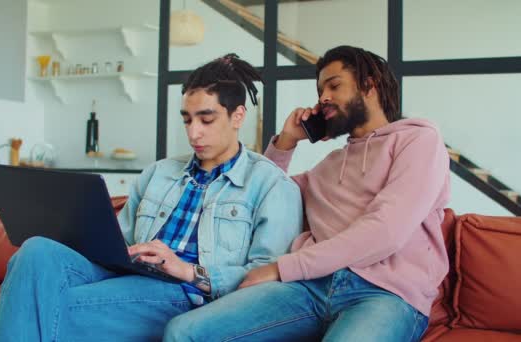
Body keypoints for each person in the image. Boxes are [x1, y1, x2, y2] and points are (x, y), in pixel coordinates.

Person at [0, 53, 303, 342]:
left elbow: (267, 277)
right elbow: (119, 241)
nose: (193, 133)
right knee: (36, 250)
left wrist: (185, 269)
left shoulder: (272, 185)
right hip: (129, 273)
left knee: (49, 306)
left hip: (185, 291)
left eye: (206, 120)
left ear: (238, 116)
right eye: (187, 120)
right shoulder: (159, 173)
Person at [164, 46, 451, 341]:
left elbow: (386, 231)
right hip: (308, 288)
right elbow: (264, 193)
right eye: (320, 90)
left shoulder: (419, 140)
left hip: (384, 294)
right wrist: (287, 140)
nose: (323, 97)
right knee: (184, 331)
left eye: (334, 85)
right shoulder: (328, 167)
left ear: (368, 85)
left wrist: (282, 268)